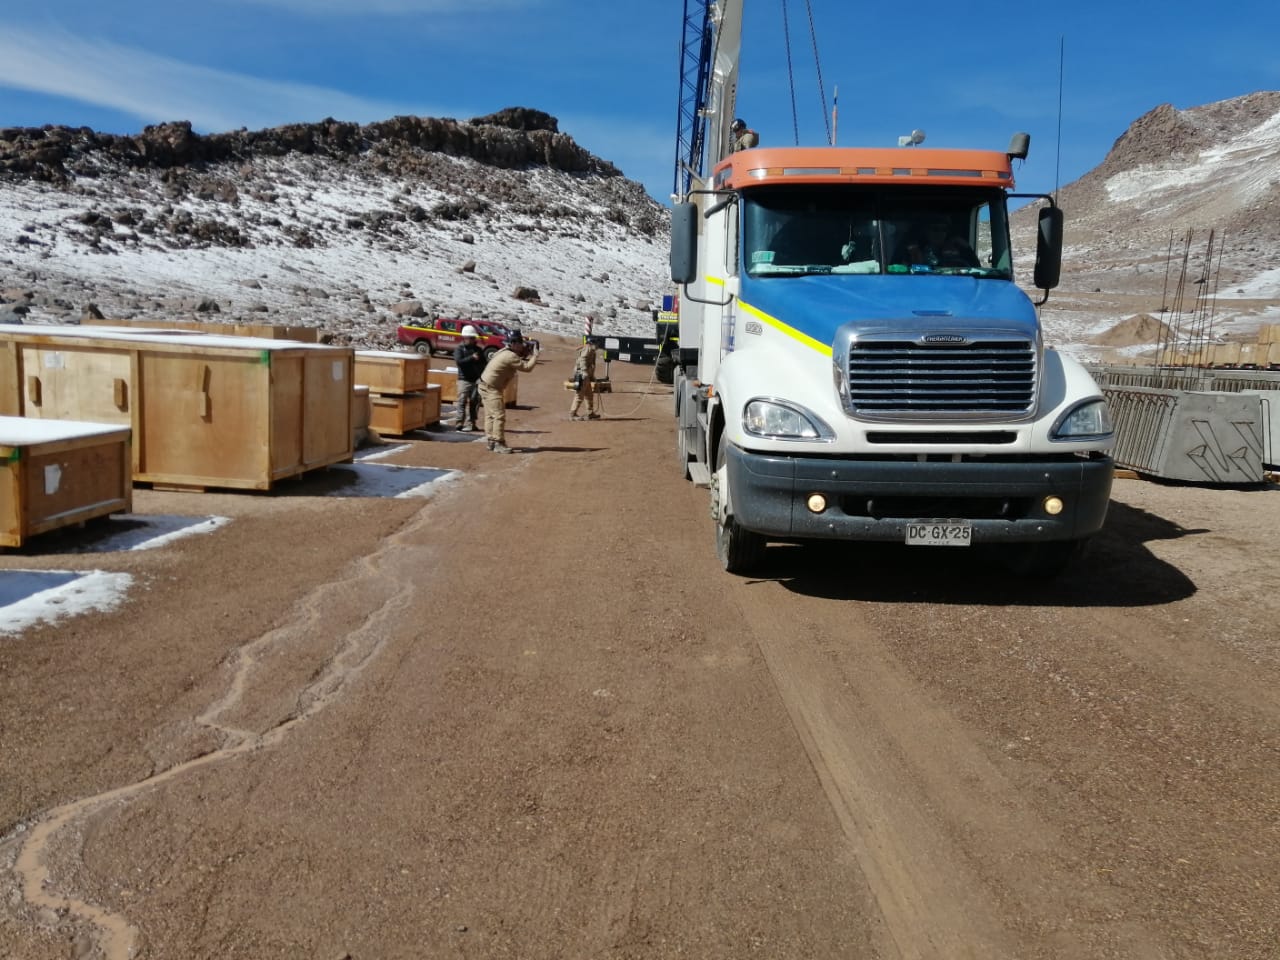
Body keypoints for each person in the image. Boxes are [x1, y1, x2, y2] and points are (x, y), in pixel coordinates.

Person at [478, 331, 539, 453]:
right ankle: (498, 443)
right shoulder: (510, 356)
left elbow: (514, 361)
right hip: (492, 388)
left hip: (484, 385)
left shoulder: (504, 351)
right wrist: (535, 356)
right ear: (513, 343)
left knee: (490, 415)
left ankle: (491, 440)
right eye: (520, 343)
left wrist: (523, 354)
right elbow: (527, 368)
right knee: (499, 415)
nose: (523, 345)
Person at [901, 218, 980, 269]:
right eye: (935, 229)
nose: (940, 233)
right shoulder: (912, 252)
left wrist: (967, 248)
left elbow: (977, 269)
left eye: (944, 229)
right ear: (926, 231)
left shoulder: (959, 253)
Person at [451, 324, 485, 431]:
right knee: (462, 401)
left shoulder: (478, 350)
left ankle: (472, 423)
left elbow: (484, 363)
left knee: (474, 402)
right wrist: (471, 358)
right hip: (463, 380)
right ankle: (459, 422)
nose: (472, 340)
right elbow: (459, 362)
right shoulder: (459, 350)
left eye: (473, 338)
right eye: (470, 338)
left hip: (476, 380)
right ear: (464, 338)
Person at [568, 338, 600, 420]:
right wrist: (585, 371)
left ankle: (590, 413)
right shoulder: (588, 348)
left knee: (589, 395)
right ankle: (572, 414)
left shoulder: (591, 351)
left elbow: (591, 364)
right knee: (579, 395)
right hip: (582, 375)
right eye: (596, 344)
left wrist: (591, 376)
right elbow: (583, 359)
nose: (597, 346)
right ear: (592, 343)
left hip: (586, 376)